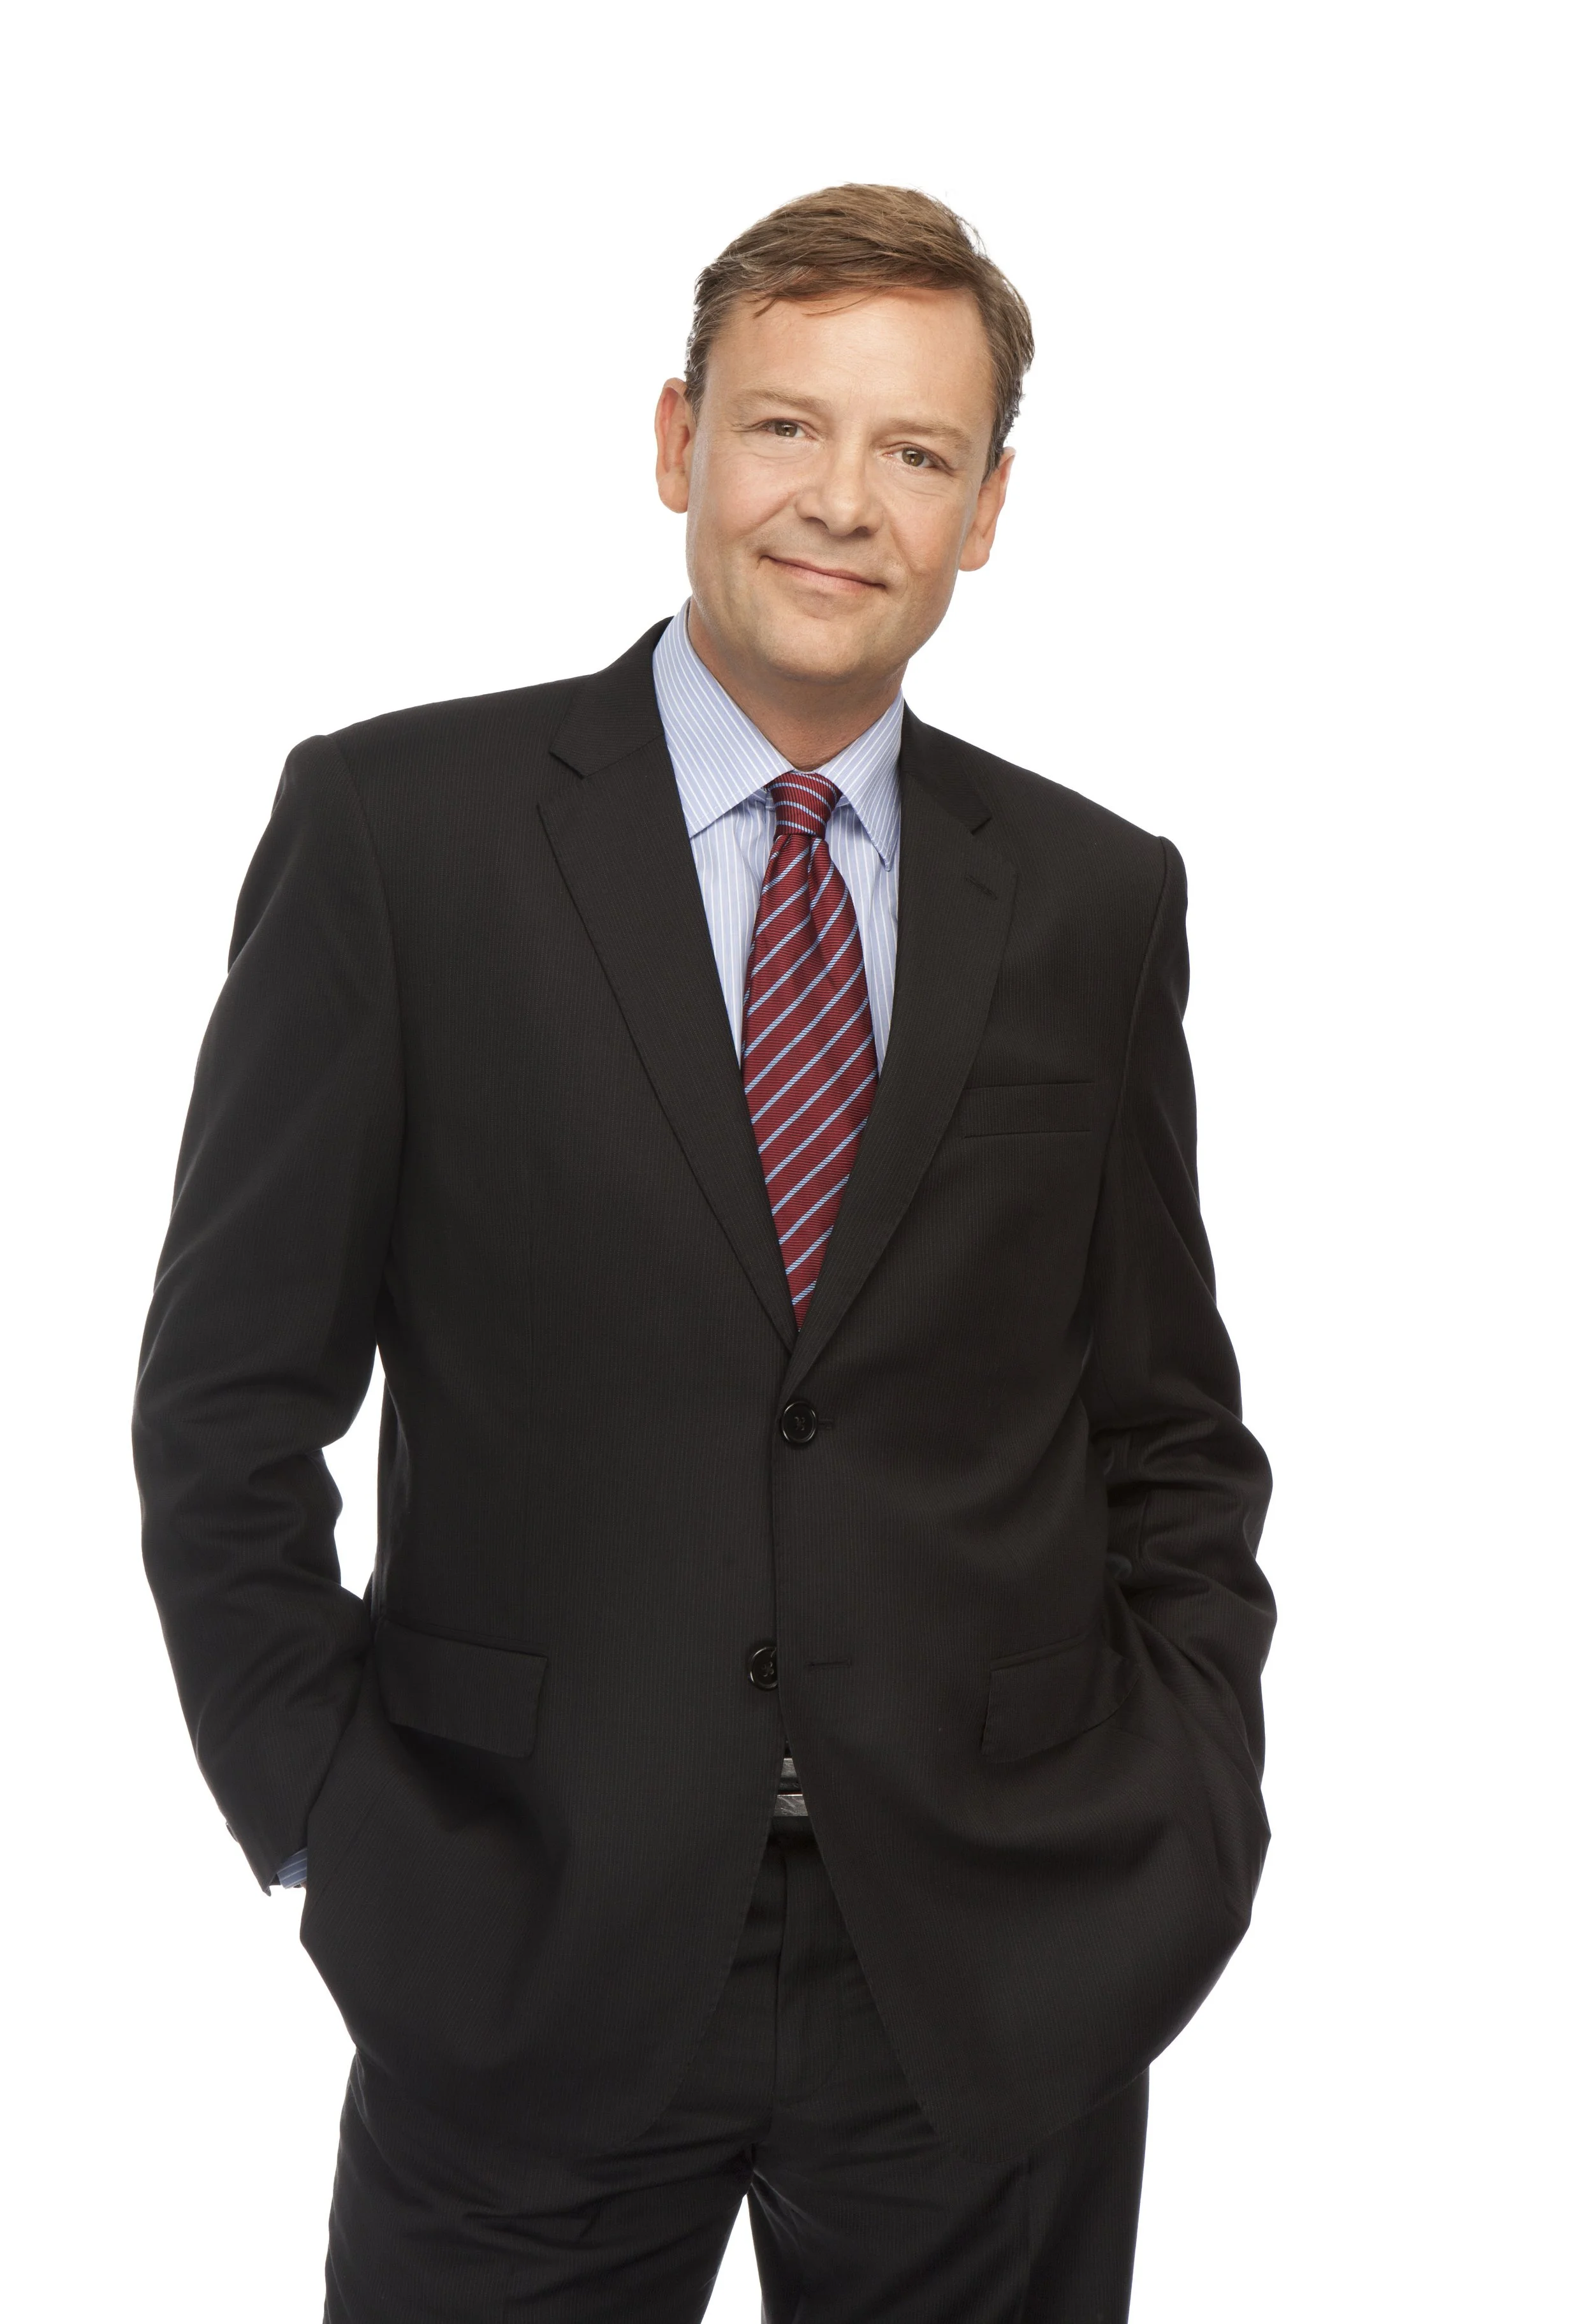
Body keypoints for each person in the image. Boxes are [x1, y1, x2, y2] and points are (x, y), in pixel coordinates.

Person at [134, 182, 1275, 2323]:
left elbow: (1167, 1430)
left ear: (987, 507)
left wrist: (1179, 1808)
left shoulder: (1095, 895)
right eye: (784, 429)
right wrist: (331, 1826)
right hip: (521, 1941)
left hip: (985, 1965)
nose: (842, 503)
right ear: (675, 442)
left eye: (915, 453)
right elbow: (224, 1410)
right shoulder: (400, 840)